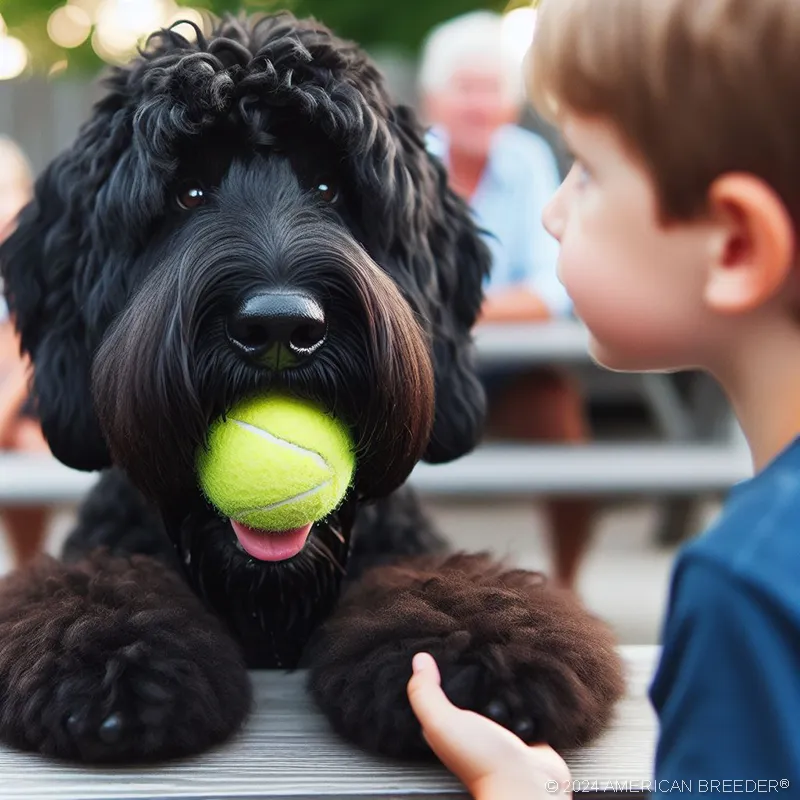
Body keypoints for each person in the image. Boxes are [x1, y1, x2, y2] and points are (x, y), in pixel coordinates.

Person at [407, 0, 800, 795]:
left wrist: (523, 791)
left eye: (586, 171)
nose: (556, 212)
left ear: (734, 244)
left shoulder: (749, 593)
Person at [419, 11, 594, 592]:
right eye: (464, 88)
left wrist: (457, 302)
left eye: (491, 89)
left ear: (512, 102)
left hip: (513, 367)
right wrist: (494, 302)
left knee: (564, 425)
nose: (477, 104)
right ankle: (404, 575)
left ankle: (568, 583)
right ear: (434, 100)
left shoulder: (528, 161)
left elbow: (554, 289)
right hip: (427, 367)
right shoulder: (412, 162)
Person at [0, 136, 51, 567]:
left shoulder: (40, 266)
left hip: (30, 410)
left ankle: (28, 566)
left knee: (30, 439)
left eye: (4, 191)